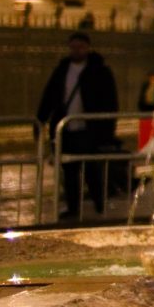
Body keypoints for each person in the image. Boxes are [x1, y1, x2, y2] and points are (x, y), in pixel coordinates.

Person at [36, 31, 118, 221]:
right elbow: (50, 96)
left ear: (87, 48)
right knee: (70, 171)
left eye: (80, 47)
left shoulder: (99, 70)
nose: (76, 51)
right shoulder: (62, 70)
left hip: (89, 130)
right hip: (66, 129)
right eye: (73, 47)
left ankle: (99, 203)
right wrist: (41, 120)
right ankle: (73, 207)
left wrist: (107, 129)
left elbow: (109, 101)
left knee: (91, 169)